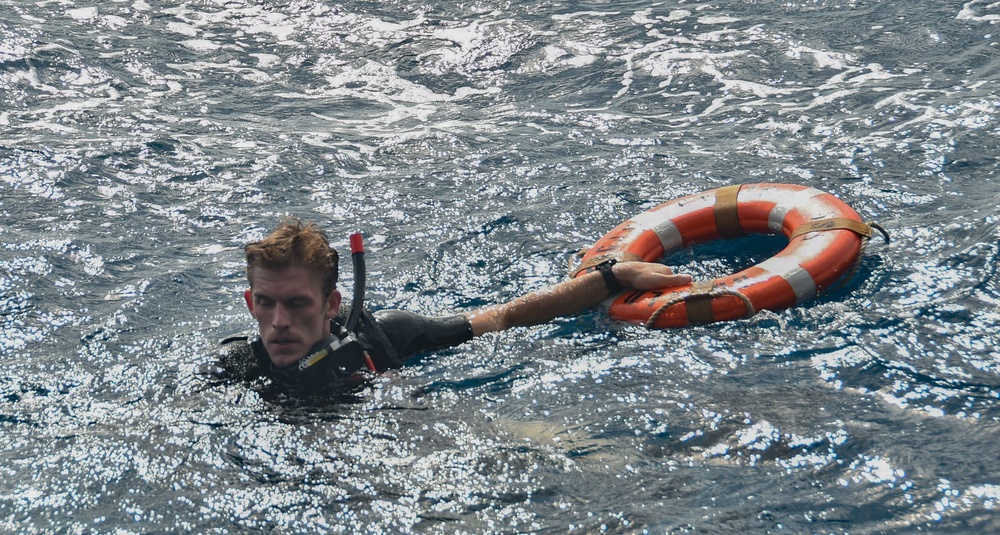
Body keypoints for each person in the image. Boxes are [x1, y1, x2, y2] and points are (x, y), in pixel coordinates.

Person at [213, 217, 691, 396]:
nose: (278, 322)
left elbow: (505, 316)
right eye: (265, 303)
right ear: (249, 304)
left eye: (297, 304)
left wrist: (610, 276)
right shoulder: (236, 369)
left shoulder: (384, 338)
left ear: (332, 305)